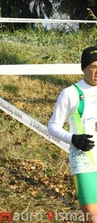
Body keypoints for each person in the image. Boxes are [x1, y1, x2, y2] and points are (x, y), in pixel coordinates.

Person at [48, 46, 97, 222]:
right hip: (84, 163)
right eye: (93, 66)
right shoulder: (70, 93)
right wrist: (74, 139)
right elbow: (52, 126)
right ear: (84, 68)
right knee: (92, 218)